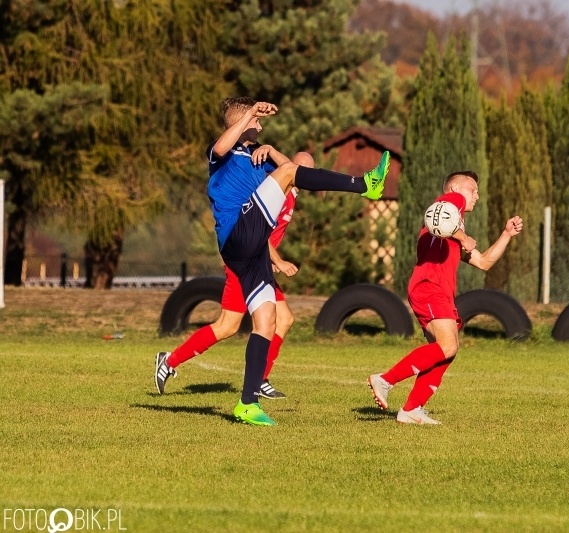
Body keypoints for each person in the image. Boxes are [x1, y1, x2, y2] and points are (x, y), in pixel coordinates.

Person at [158, 97, 389, 427]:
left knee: (267, 323)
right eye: (257, 122)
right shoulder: (220, 154)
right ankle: (367, 185)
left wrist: (267, 145)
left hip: (250, 255)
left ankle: (247, 404)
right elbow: (227, 146)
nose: (261, 126)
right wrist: (249, 114)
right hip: (237, 235)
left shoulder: (257, 161)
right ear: (243, 121)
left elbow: (296, 173)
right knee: (231, 323)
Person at [154, 151, 313, 401]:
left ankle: (261, 379)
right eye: (305, 171)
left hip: (258, 263)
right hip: (245, 264)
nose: (309, 177)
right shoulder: (279, 192)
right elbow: (256, 231)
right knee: (228, 326)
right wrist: (278, 261)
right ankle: (170, 360)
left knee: (284, 319)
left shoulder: (291, 194)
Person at [367, 170, 522, 425]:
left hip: (438, 291)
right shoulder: (450, 204)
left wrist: (506, 234)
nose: (477, 196)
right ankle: (385, 380)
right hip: (430, 287)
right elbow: (437, 214)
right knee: (448, 346)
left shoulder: (451, 229)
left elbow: (483, 262)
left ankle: (411, 410)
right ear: (454, 188)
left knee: (445, 351)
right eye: (473, 190)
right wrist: (463, 236)